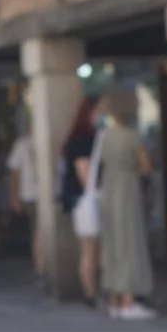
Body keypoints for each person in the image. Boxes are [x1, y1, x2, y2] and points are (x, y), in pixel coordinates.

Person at [94, 95, 156, 320]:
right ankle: (129, 301)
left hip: (108, 190)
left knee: (111, 244)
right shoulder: (133, 137)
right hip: (127, 190)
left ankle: (114, 301)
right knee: (130, 242)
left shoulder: (103, 137)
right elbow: (146, 166)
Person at [57, 95, 101, 303]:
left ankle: (92, 292)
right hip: (85, 198)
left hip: (80, 197)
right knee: (89, 248)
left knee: (90, 248)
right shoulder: (83, 140)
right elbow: (84, 170)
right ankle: (90, 294)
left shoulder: (80, 137)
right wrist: (96, 192)